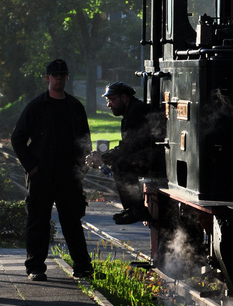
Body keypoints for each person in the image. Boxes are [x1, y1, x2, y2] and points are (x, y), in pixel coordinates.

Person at [11, 58, 94, 281]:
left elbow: (85, 140)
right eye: (55, 75)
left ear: (67, 78)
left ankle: (82, 267)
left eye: (63, 75)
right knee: (38, 221)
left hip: (68, 176)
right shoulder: (36, 106)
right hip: (42, 175)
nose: (59, 79)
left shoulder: (75, 106)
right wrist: (32, 168)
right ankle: (35, 267)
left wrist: (81, 170)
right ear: (48, 78)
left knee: (72, 222)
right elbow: (18, 139)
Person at [87, 81, 158, 224]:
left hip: (153, 158)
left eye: (112, 100)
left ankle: (136, 209)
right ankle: (132, 209)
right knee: (120, 162)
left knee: (121, 165)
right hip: (147, 154)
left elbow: (128, 148)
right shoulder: (131, 111)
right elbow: (126, 145)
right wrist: (104, 156)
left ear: (124, 97)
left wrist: (104, 157)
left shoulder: (135, 112)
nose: (108, 105)